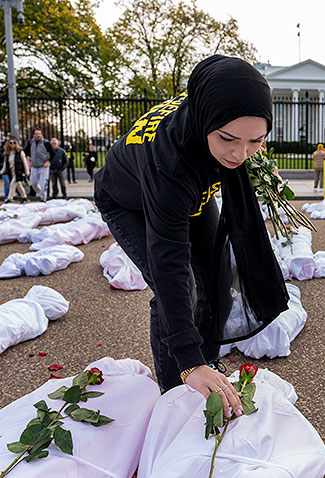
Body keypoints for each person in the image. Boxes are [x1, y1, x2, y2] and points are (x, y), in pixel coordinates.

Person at [94, 55, 289, 412]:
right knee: (182, 286)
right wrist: (188, 359)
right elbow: (168, 263)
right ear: (204, 119)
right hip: (130, 202)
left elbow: (238, 145)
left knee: (218, 278)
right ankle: (176, 389)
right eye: (228, 139)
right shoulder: (169, 159)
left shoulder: (221, 127)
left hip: (189, 195)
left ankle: (207, 366)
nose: (240, 154)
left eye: (255, 142)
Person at [24, 128, 55, 201]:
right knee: (33, 183)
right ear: (33, 135)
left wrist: (48, 161)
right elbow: (25, 150)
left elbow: (53, 153)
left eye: (39, 134)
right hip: (34, 166)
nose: (38, 135)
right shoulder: (30, 142)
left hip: (43, 166)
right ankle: (42, 193)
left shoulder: (46, 143)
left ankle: (43, 198)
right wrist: (28, 155)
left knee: (43, 183)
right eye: (36, 134)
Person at [0, 136, 29, 203]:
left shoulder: (20, 152)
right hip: (11, 172)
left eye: (14, 143)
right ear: (8, 144)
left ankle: (9, 198)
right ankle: (24, 197)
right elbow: (5, 165)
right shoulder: (7, 154)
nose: (12, 144)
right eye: (10, 143)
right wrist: (1, 171)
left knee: (12, 184)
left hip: (18, 172)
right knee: (18, 185)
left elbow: (24, 162)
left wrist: (27, 171)